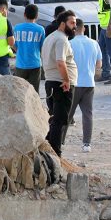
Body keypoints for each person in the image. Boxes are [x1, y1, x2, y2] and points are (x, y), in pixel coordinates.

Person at [41, 10, 78, 156]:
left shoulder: (50, 37)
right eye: (72, 23)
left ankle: (46, 149)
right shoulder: (61, 39)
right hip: (60, 83)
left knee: (55, 119)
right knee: (60, 120)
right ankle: (55, 153)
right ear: (63, 24)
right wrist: (67, 80)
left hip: (51, 82)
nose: (74, 26)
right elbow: (60, 62)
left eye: (75, 23)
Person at [65, 18, 102, 153]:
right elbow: (99, 64)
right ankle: (87, 144)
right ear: (84, 28)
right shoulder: (94, 43)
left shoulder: (69, 44)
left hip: (74, 83)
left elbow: (64, 63)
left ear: (74, 29)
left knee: (68, 113)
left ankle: (61, 140)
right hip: (89, 83)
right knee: (88, 114)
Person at [13, 4, 45, 91]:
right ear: (37, 15)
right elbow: (42, 47)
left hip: (20, 64)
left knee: (19, 91)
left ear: (24, 14)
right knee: (34, 92)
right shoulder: (40, 29)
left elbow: (12, 43)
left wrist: (18, 50)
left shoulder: (17, 28)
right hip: (35, 64)